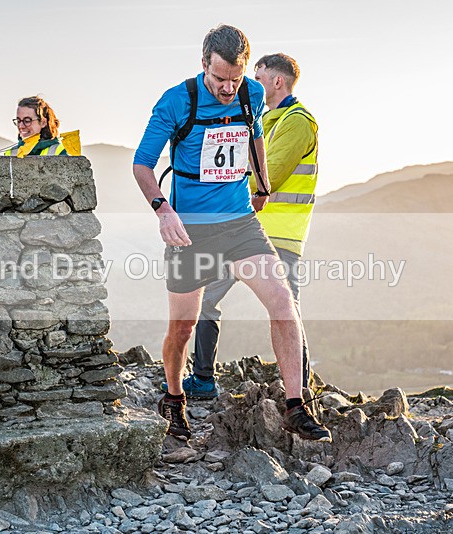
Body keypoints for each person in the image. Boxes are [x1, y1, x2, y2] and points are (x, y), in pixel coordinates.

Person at [133, 25, 330, 442]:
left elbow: (254, 133)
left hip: (240, 223)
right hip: (190, 231)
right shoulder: (176, 101)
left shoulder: (252, 95)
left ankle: (296, 405)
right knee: (182, 328)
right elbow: (142, 164)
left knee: (282, 301)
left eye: (235, 79)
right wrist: (162, 210)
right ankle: (173, 399)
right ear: (203, 62)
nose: (227, 88)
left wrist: (261, 183)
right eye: (219, 78)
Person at [176, 54, 327, 434]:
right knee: (205, 298)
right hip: (240, 230)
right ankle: (203, 380)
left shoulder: (298, 122)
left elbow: (268, 176)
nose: (249, 84)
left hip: (279, 234)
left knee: (285, 311)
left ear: (277, 82)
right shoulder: (258, 117)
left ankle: (300, 402)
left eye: (257, 77)